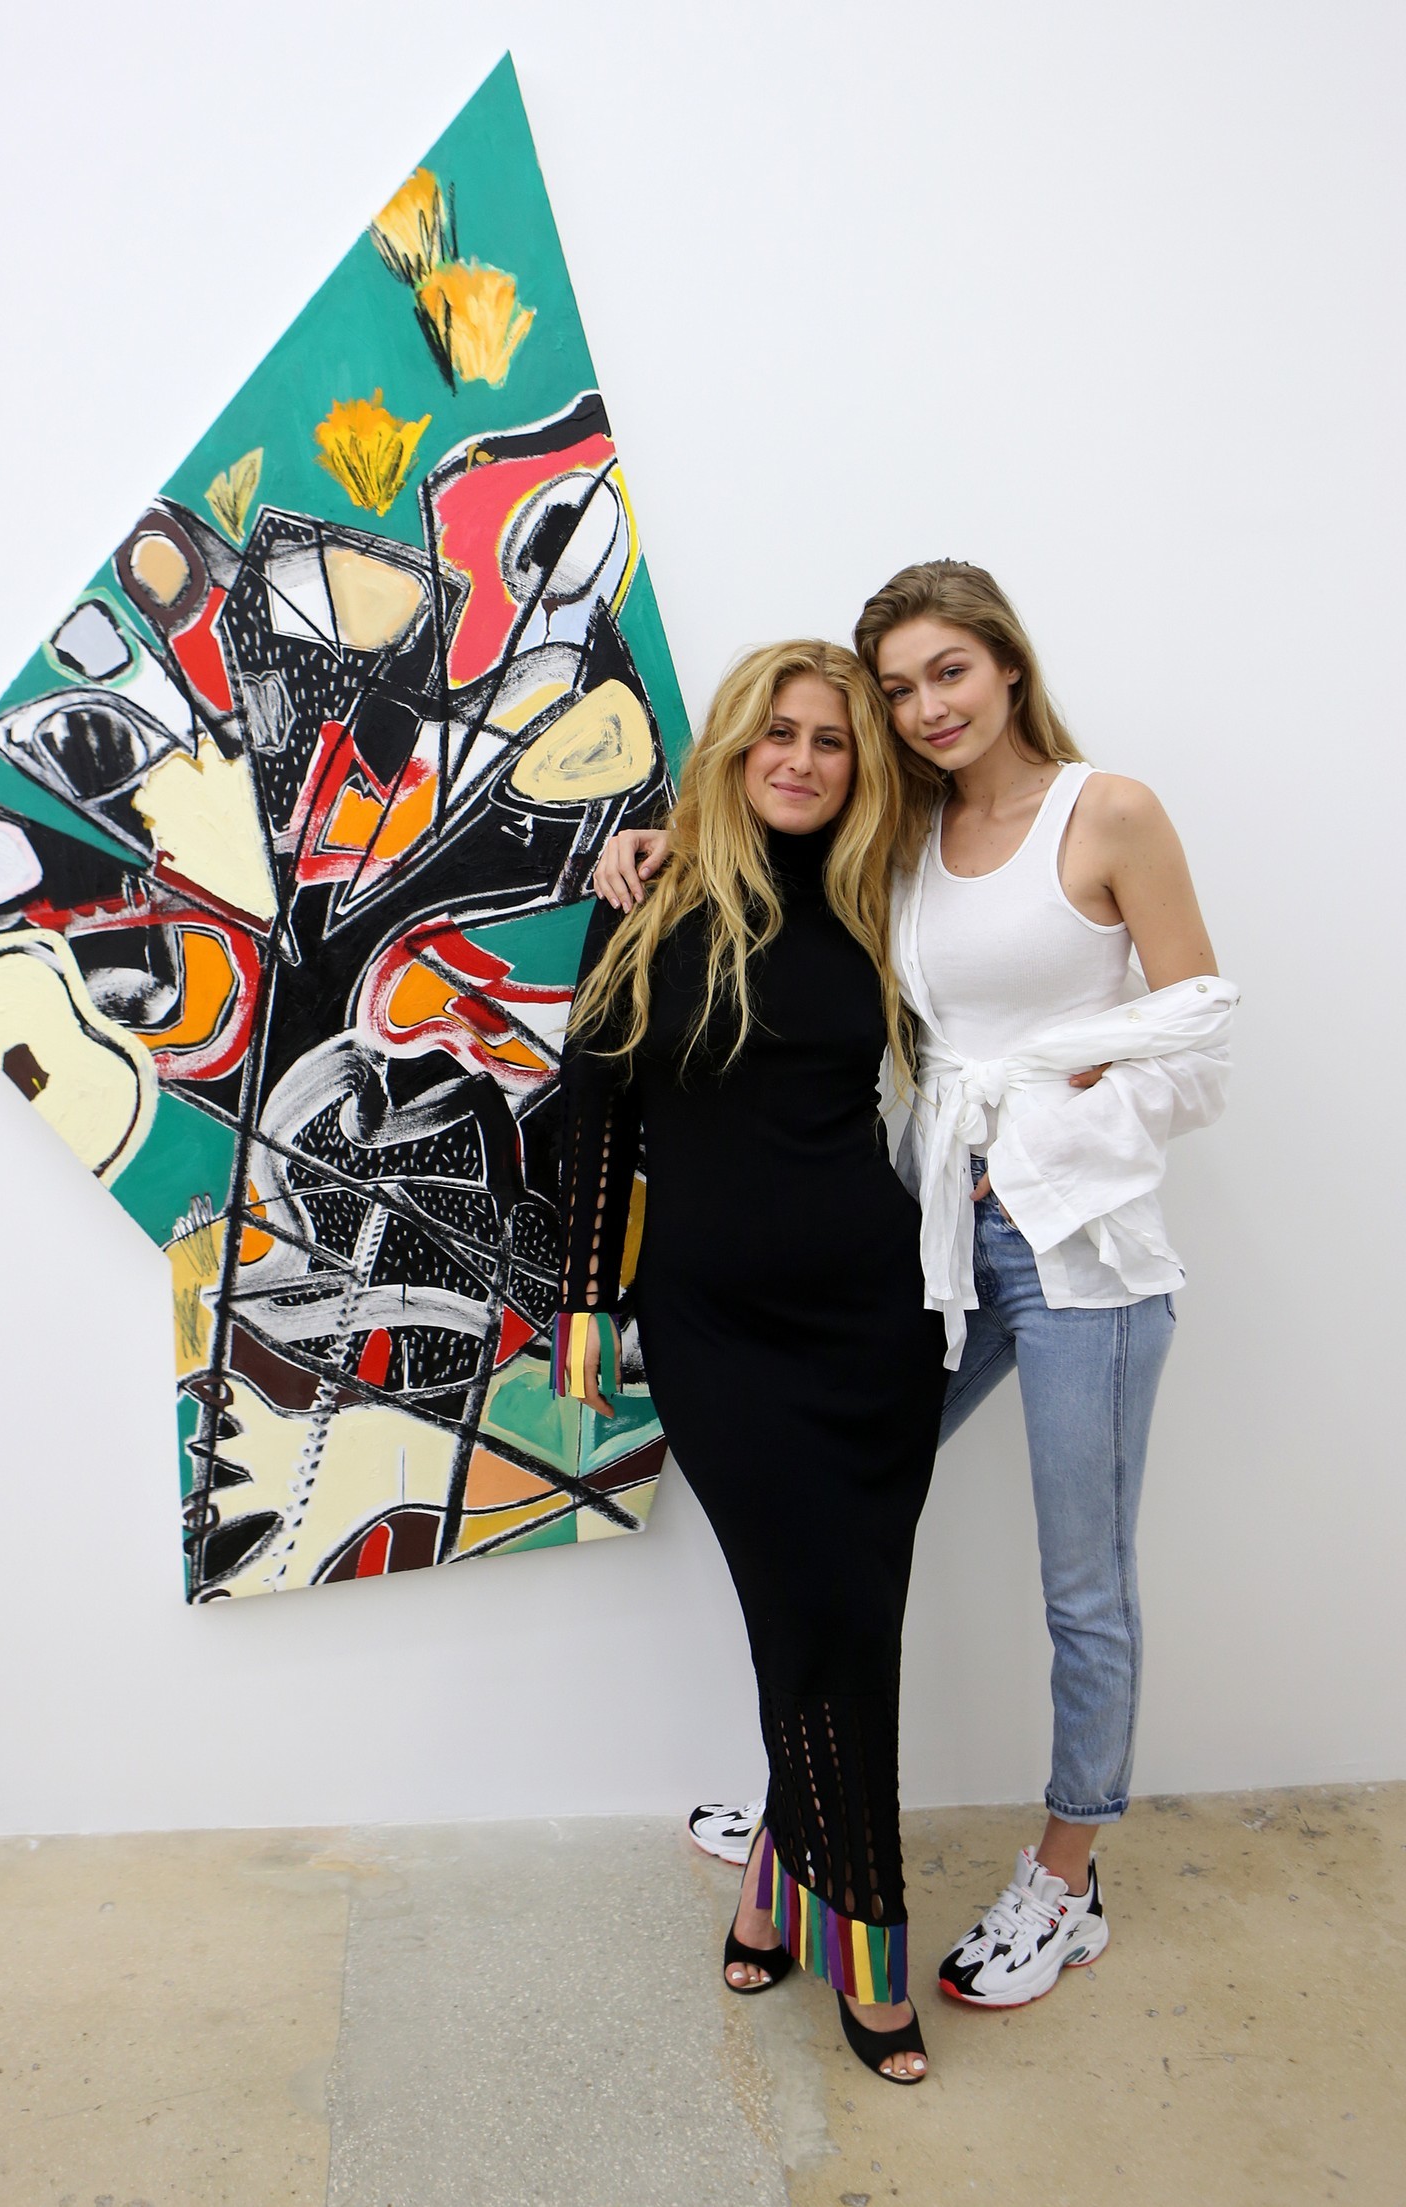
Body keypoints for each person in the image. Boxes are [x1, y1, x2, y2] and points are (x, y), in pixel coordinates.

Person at [593, 561, 1235, 2011]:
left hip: (1077, 1252)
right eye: (898, 688)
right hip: (930, 1247)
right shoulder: (905, 841)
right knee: (828, 1534)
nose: (927, 706)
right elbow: (777, 856)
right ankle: (806, 1818)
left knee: (1083, 1584)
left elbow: (1199, 1046)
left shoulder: (1108, 813)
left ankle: (1066, 1880)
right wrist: (662, 843)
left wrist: (1055, 1119)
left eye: (950, 670)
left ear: (1007, 664)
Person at [554, 640, 946, 2080]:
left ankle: (779, 1890)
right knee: (808, 1620)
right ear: (733, 745)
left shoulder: (887, 897)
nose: (801, 759)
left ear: (862, 766)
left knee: (849, 1626)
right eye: (777, 732)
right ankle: (873, 1941)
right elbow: (595, 1108)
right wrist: (583, 1301)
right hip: (716, 1332)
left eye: (832, 741)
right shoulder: (648, 901)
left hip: (878, 1325)